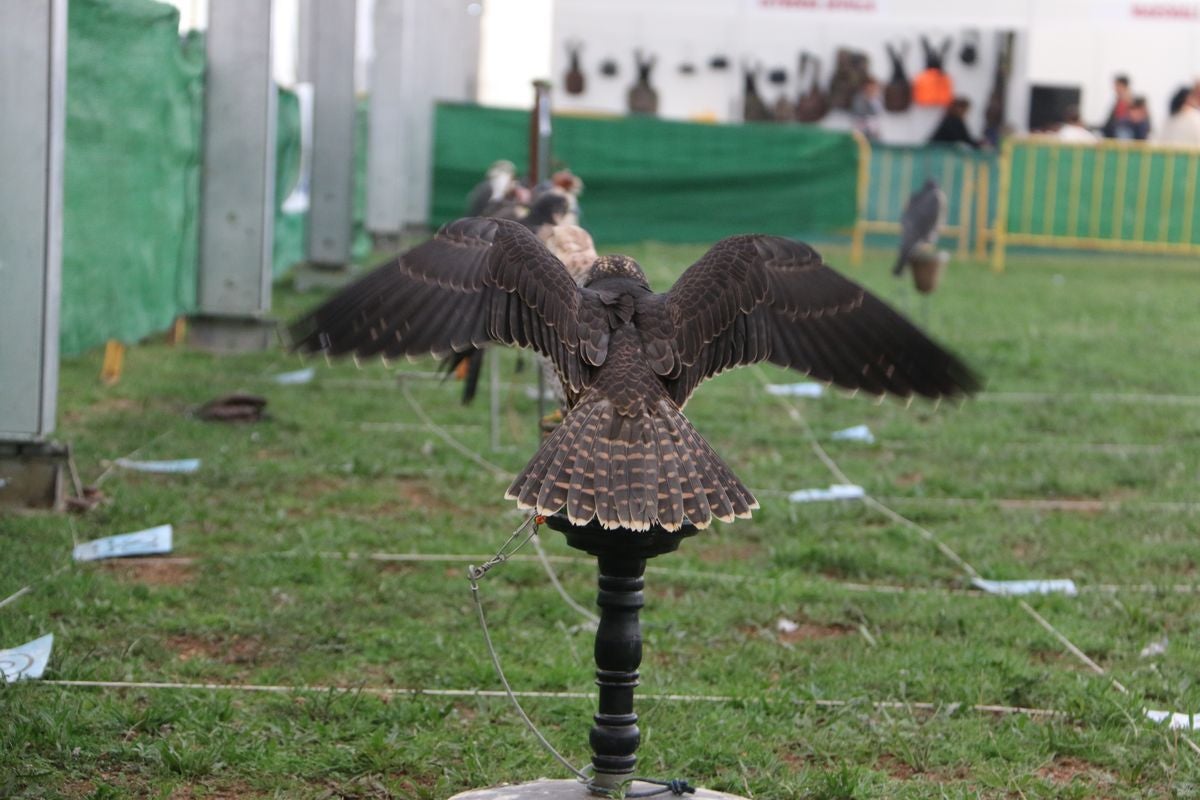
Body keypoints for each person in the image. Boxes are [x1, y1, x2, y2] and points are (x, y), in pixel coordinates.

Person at [850, 77, 884, 141]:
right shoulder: (859, 98)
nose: (871, 89)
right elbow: (858, 113)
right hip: (860, 129)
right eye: (869, 87)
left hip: (874, 132)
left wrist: (872, 100)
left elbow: (878, 112)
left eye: (873, 87)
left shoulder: (877, 98)